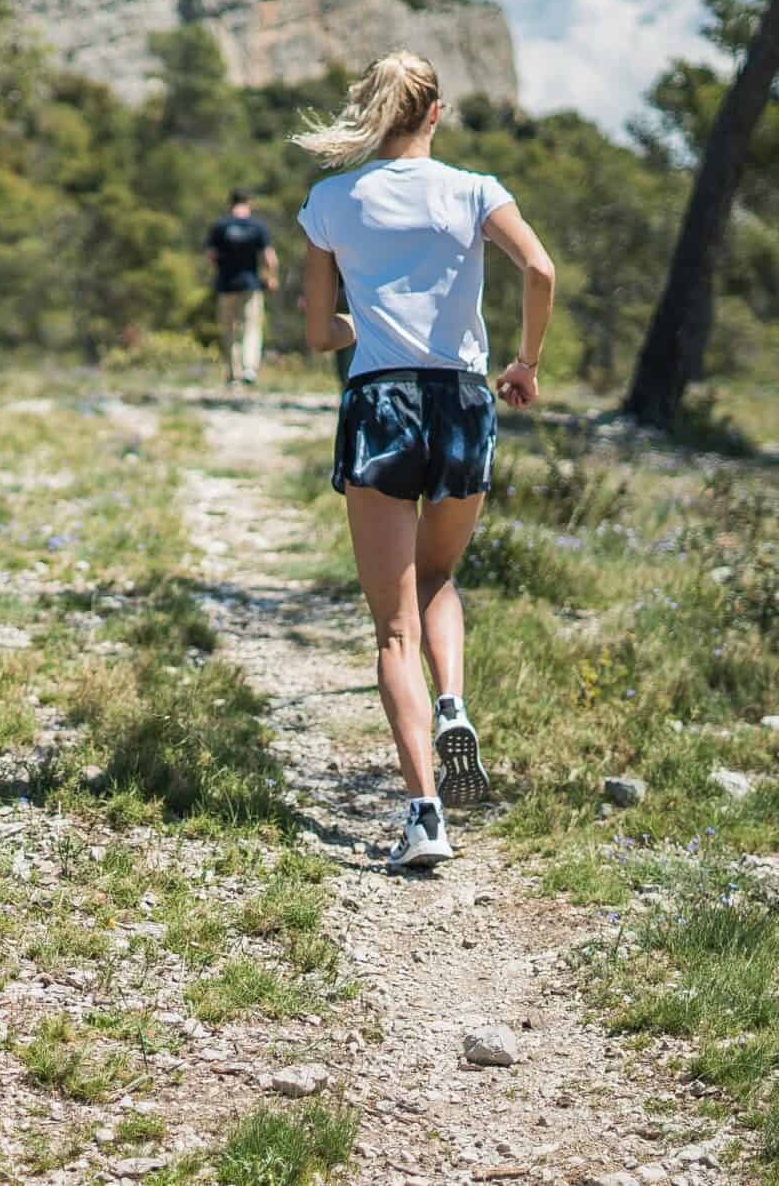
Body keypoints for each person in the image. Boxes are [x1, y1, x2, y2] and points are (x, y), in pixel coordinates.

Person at [291, 50, 556, 871]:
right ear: (435, 110)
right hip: (464, 401)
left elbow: (315, 331)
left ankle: (424, 814)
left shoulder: (333, 201)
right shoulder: (476, 190)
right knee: (440, 578)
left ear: (368, 110)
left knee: (392, 625)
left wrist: (362, 328)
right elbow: (540, 268)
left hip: (380, 405)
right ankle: (453, 701)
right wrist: (524, 364)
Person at [204, 190, 278, 386]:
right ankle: (249, 369)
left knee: (229, 330)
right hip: (250, 285)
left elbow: (211, 256)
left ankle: (232, 372)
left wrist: (215, 274)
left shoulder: (220, 226)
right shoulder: (258, 227)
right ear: (249, 203)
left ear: (230, 204)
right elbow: (270, 258)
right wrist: (270, 278)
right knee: (251, 327)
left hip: (225, 285)